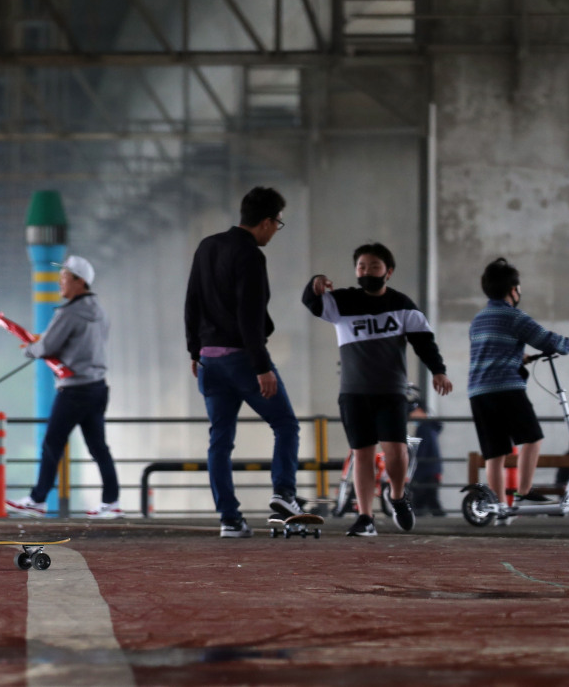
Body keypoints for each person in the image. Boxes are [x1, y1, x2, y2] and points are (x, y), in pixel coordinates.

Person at [304, 243, 452, 536]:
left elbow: (424, 341)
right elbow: (311, 301)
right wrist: (315, 282)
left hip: (391, 392)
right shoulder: (342, 302)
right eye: (361, 266)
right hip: (354, 392)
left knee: (396, 452)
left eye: (374, 266)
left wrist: (438, 370)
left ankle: (397, 496)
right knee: (362, 455)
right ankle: (365, 517)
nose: (367, 271)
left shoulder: (403, 306)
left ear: (388, 271)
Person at [184, 187, 302, 538]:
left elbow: (191, 302)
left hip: (208, 360)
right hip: (241, 359)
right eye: (277, 223)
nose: (275, 231)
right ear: (266, 221)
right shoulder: (250, 255)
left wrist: (195, 351)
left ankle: (230, 520)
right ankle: (284, 494)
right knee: (285, 425)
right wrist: (262, 366)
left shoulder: (207, 246)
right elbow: (249, 317)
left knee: (219, 440)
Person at [5, 254, 119, 519]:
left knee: (52, 444)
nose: (60, 282)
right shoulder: (99, 310)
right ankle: (111, 502)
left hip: (74, 388)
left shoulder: (68, 312)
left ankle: (37, 499)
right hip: (98, 386)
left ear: (80, 282)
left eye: (65, 277)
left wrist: (31, 348)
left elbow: (47, 347)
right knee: (98, 446)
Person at [468, 258, 569, 520]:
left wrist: (521, 358)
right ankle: (524, 490)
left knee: (495, 452)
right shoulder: (514, 316)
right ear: (513, 289)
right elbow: (546, 340)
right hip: (506, 389)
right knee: (532, 438)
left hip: (479, 392)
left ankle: (497, 508)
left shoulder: (478, 319)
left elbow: (493, 351)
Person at [406, 389, 446, 516]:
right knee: (428, 501)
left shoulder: (423, 428)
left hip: (425, 471)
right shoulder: (431, 427)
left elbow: (421, 452)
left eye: (411, 413)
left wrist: (412, 468)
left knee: (424, 501)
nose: (410, 417)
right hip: (433, 470)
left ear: (419, 411)